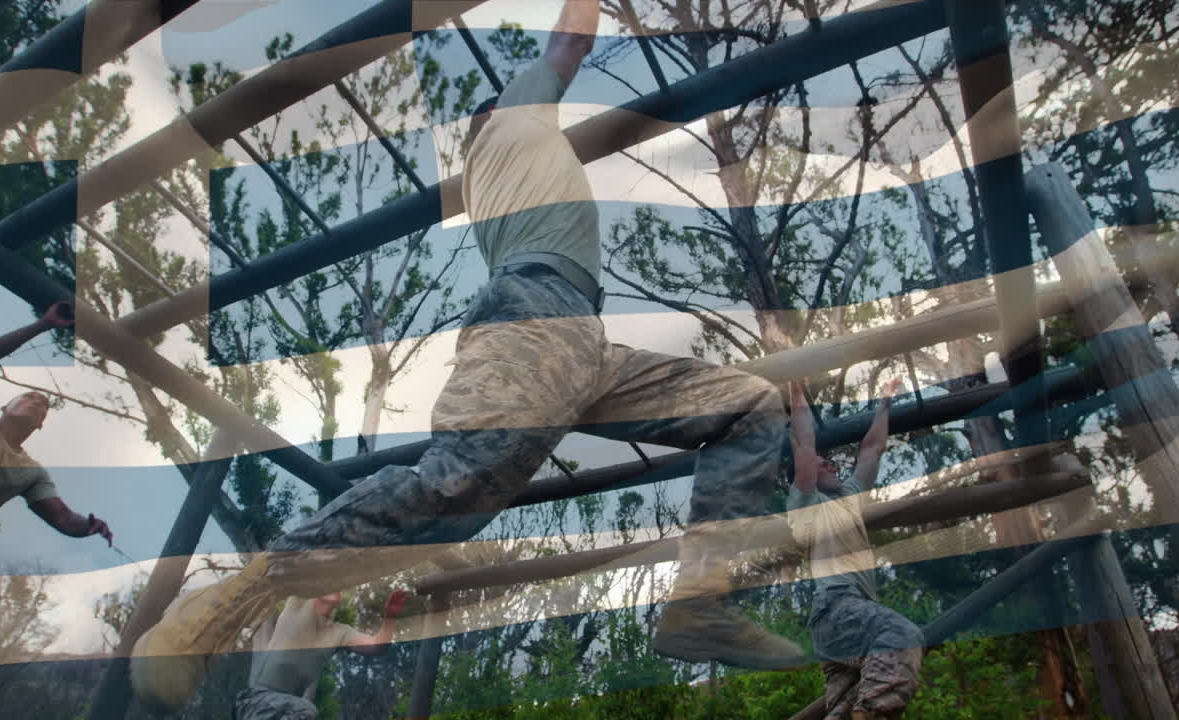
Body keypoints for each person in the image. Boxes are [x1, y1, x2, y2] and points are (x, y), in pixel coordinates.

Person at [131, 2, 803, 711]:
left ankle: (700, 603)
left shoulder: (496, 186)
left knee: (748, 406)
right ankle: (231, 602)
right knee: (458, 485)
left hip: (582, 340)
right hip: (537, 318)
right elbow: (569, 42)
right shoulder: (514, 118)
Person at [0, 301, 113, 651]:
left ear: (40, 425)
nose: (36, 401)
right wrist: (42, 326)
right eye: (28, 396)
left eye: (43, 405)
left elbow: (61, 516)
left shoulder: (31, 473)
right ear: (6, 406)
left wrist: (88, 525)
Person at [786, 379, 923, 720]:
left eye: (831, 463)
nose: (831, 465)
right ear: (808, 476)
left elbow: (872, 449)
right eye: (824, 465)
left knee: (844, 707)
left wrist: (885, 403)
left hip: (846, 622)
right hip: (838, 608)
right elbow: (804, 445)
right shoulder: (806, 504)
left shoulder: (848, 498)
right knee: (901, 637)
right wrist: (796, 394)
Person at [233, 588, 407, 720]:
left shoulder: (339, 632)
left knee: (304, 710)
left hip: (286, 711)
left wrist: (390, 617)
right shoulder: (299, 602)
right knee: (307, 710)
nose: (337, 585)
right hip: (257, 702)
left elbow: (377, 647)